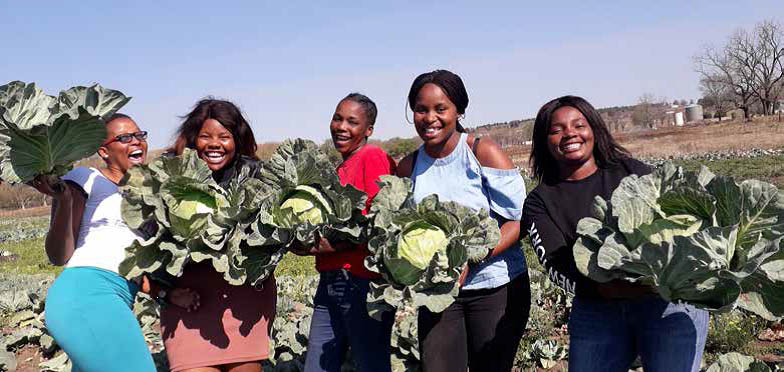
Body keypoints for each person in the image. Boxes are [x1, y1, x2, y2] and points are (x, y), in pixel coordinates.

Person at [521, 95, 708, 372]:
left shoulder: (633, 173)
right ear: (544, 141)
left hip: (668, 303)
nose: (569, 133)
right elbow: (556, 266)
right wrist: (608, 287)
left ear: (594, 130)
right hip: (599, 308)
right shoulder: (541, 201)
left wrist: (666, 277)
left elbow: (685, 216)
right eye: (556, 129)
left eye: (578, 125)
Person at [396, 70, 530, 372]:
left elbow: (519, 220)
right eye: (421, 109)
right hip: (439, 294)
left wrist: (472, 257)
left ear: (458, 110)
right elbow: (399, 227)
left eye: (440, 109)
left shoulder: (482, 152)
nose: (430, 117)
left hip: (496, 286)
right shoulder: (408, 166)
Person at [34, 114, 160, 372]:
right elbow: (58, 255)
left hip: (119, 296)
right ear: (104, 151)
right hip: (86, 292)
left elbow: (135, 266)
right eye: (124, 137)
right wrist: (65, 201)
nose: (136, 141)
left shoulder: (148, 195)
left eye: (139, 135)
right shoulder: (85, 177)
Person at [159, 99, 276, 372]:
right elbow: (147, 244)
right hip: (189, 302)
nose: (215, 144)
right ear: (192, 139)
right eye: (205, 136)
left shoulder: (255, 175)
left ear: (237, 140)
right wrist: (165, 292)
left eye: (224, 136)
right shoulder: (169, 175)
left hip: (244, 303)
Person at [298, 93, 396, 372]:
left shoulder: (372, 156)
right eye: (337, 118)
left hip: (361, 281)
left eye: (352, 121)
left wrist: (320, 246)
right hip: (330, 281)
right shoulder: (339, 168)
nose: (341, 126)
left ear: (368, 130)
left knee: (371, 364)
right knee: (317, 365)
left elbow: (376, 224)